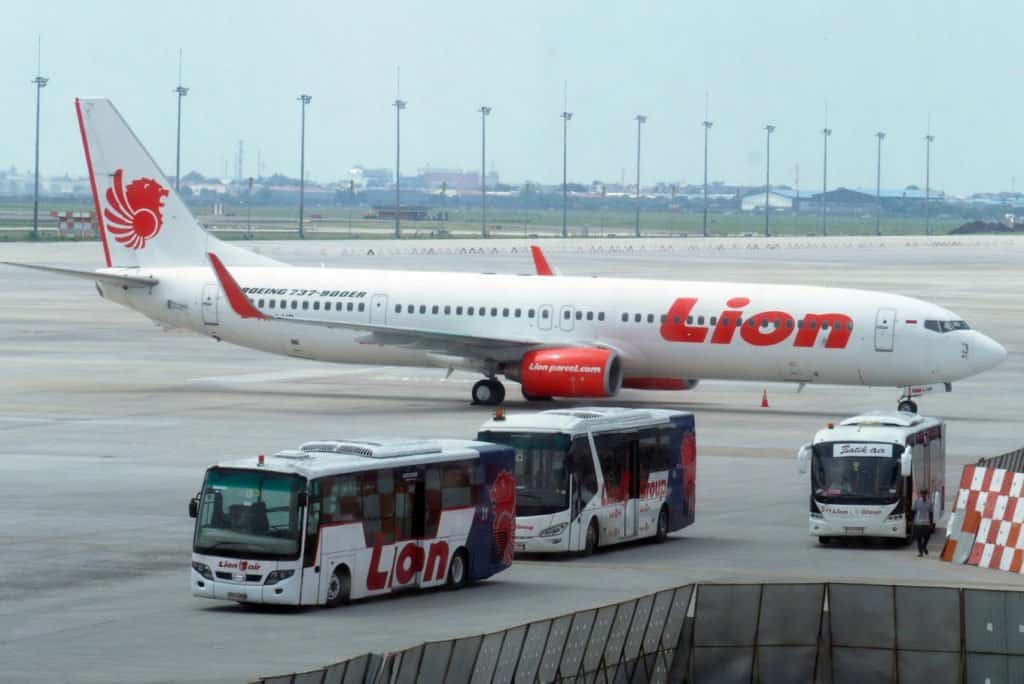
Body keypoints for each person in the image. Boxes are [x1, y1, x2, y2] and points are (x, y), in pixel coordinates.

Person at [912, 489, 933, 557]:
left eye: (925, 494)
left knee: (927, 537)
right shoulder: (917, 501)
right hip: (918, 522)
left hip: (926, 523)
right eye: (922, 494)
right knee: (919, 539)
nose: (923, 495)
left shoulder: (929, 502)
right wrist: (912, 521)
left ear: (926, 494)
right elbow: (914, 511)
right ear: (920, 494)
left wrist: (931, 523)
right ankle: (920, 552)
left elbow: (931, 513)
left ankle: (924, 547)